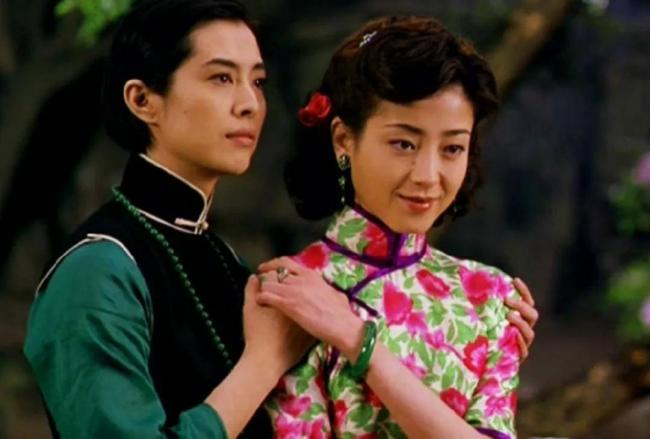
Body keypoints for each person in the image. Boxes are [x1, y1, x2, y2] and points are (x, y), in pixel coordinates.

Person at [23, 1, 313, 437]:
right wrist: (264, 362)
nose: (250, 104)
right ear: (142, 100)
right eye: (221, 78)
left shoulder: (218, 255)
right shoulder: (97, 270)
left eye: (257, 81)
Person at [258, 16, 536, 438]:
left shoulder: (490, 297)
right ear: (343, 139)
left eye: (452, 148)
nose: (427, 175)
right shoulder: (293, 292)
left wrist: (358, 340)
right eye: (404, 143)